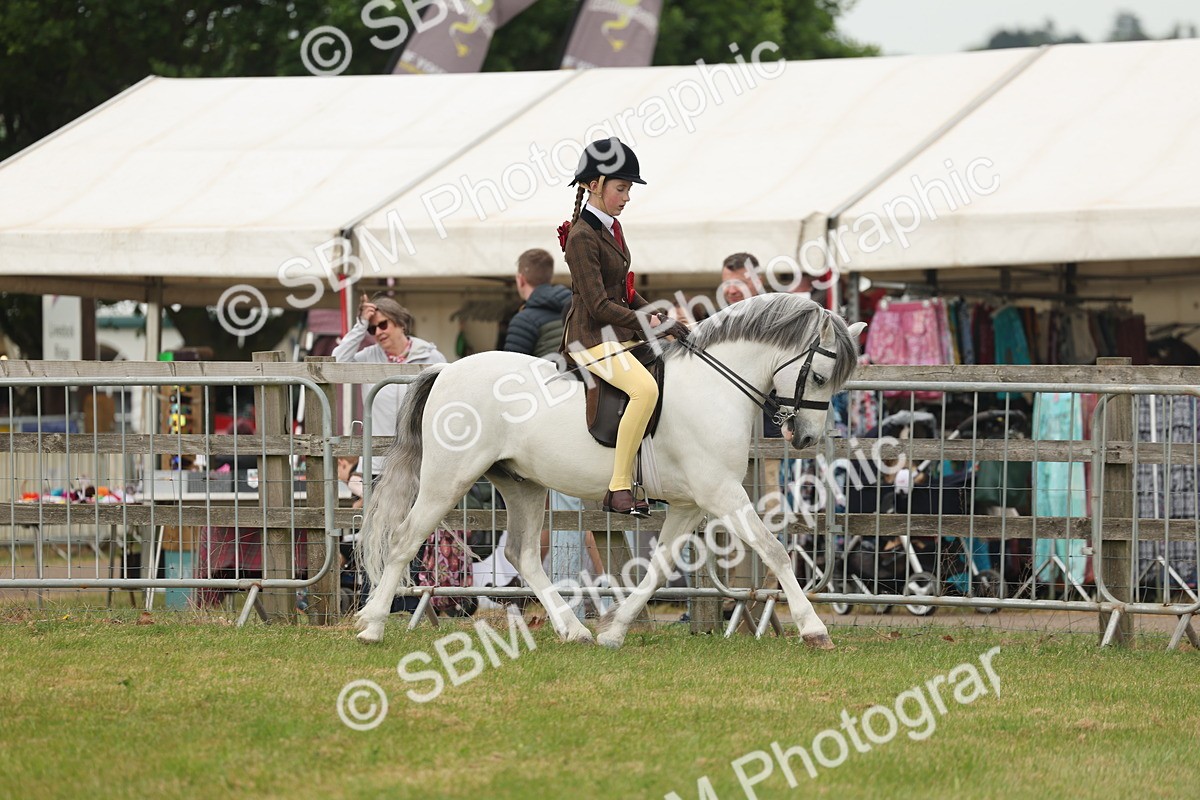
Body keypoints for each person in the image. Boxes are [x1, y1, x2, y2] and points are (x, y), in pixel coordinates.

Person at [559, 137, 689, 517]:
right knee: (644, 389)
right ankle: (618, 488)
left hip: (617, 333)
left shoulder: (611, 228)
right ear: (594, 184)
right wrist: (648, 324)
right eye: (622, 187)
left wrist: (665, 318)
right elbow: (599, 305)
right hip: (591, 339)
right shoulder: (582, 238)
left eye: (629, 188)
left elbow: (625, 292)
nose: (627, 196)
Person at [501, 246, 610, 590]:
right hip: (583, 407)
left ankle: (566, 591)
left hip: (544, 421)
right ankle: (604, 589)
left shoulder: (525, 319)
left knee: (565, 509)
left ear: (521, 279)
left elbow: (508, 380)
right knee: (578, 512)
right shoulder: (571, 306)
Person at [332, 293, 447, 477]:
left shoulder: (431, 356)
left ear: (400, 323)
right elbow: (334, 362)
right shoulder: (367, 356)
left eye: (383, 324)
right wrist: (360, 326)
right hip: (377, 462)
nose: (378, 332)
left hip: (419, 460)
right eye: (372, 329)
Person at [503, 248, 571, 358]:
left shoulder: (524, 321)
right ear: (549, 277)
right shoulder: (575, 309)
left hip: (546, 375)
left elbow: (512, 370)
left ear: (521, 280)